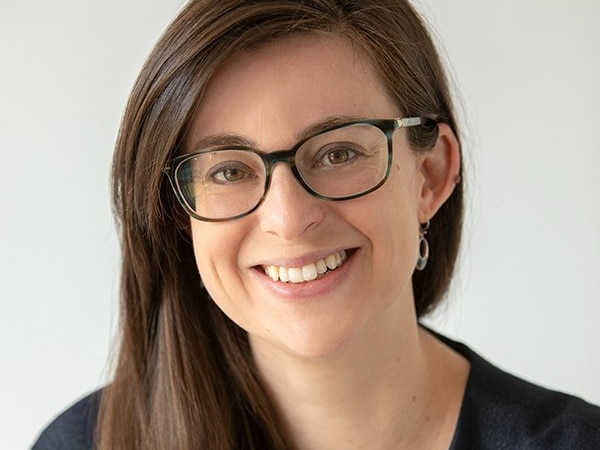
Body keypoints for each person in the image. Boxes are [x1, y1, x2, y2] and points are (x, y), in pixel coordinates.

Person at [32, 0, 600, 449]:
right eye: (230, 169)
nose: (288, 219)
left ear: (429, 175)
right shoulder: (82, 445)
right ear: (182, 215)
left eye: (337, 154)